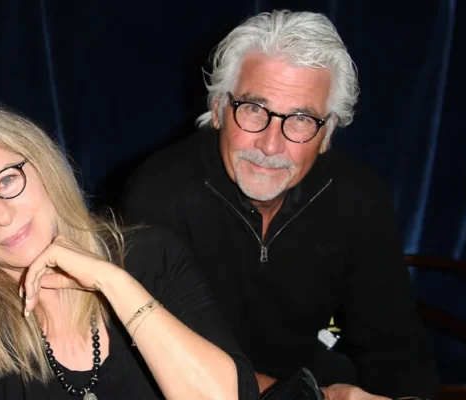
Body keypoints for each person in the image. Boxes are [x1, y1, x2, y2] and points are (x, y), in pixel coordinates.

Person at [121, 9, 439, 399]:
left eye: (301, 119)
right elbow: (156, 354)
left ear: (327, 134)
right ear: (219, 108)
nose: (271, 146)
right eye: (254, 109)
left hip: (315, 377)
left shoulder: (358, 197)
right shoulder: (159, 194)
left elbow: (394, 345)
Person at [0, 104, 261, 400]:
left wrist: (112, 281)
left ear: (44, 170)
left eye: (7, 180)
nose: (0, 215)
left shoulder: (152, 257)